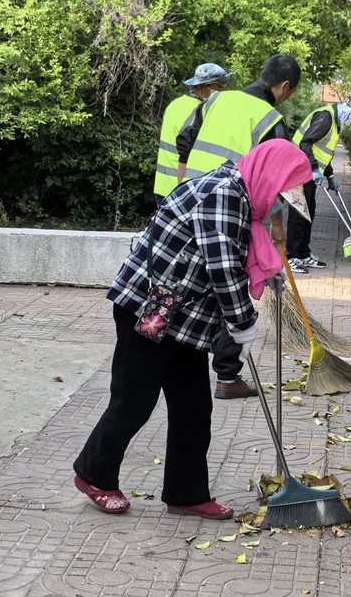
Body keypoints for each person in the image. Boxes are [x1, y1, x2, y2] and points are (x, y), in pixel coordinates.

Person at [73, 139, 312, 519]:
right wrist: (242, 324)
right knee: (133, 401)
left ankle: (186, 494)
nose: (280, 201)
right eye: (282, 191)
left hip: (185, 319)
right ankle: (94, 475)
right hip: (150, 310)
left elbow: (235, 251)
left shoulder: (242, 197)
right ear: (269, 176)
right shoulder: (223, 194)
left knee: (193, 408)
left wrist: (268, 273)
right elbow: (222, 267)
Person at [176, 53, 302, 399]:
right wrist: (277, 224)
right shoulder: (270, 118)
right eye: (290, 92)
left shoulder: (216, 100)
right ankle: (227, 377)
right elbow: (273, 177)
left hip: (190, 204)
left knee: (192, 281)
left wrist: (183, 189)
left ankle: (183, 358)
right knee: (231, 285)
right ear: (284, 86)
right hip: (232, 210)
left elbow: (184, 142)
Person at [286, 102, 351, 274]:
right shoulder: (325, 117)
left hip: (307, 171)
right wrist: (313, 168)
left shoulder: (334, 121)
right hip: (298, 168)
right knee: (299, 212)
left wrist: (330, 175)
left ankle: (303, 254)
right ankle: (291, 257)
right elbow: (305, 142)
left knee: (308, 212)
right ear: (342, 115)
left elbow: (322, 152)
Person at [153, 63, 233, 203]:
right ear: (204, 87)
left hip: (164, 186)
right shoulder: (201, 110)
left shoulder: (175, 104)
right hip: (182, 189)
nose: (222, 92)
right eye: (220, 87)